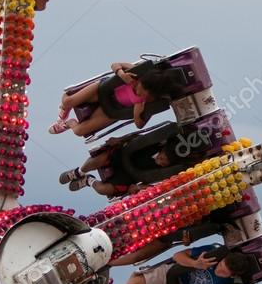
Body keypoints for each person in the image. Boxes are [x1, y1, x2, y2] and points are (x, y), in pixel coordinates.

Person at [49, 62, 182, 136]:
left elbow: (139, 125)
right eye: (140, 88)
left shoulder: (149, 101)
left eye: (144, 94)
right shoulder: (137, 74)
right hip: (104, 91)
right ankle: (64, 108)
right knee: (67, 101)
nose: (140, 93)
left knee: (79, 131)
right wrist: (121, 73)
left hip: (113, 110)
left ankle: (68, 123)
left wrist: (138, 113)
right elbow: (114, 64)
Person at [58, 132, 206, 197]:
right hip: (123, 156)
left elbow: (152, 184)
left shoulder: (167, 170)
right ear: (162, 150)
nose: (160, 162)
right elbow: (134, 137)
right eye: (162, 158)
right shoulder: (154, 143)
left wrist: (137, 188)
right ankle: (78, 172)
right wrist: (119, 140)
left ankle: (87, 180)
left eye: (164, 163)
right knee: (100, 159)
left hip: (130, 175)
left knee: (105, 190)